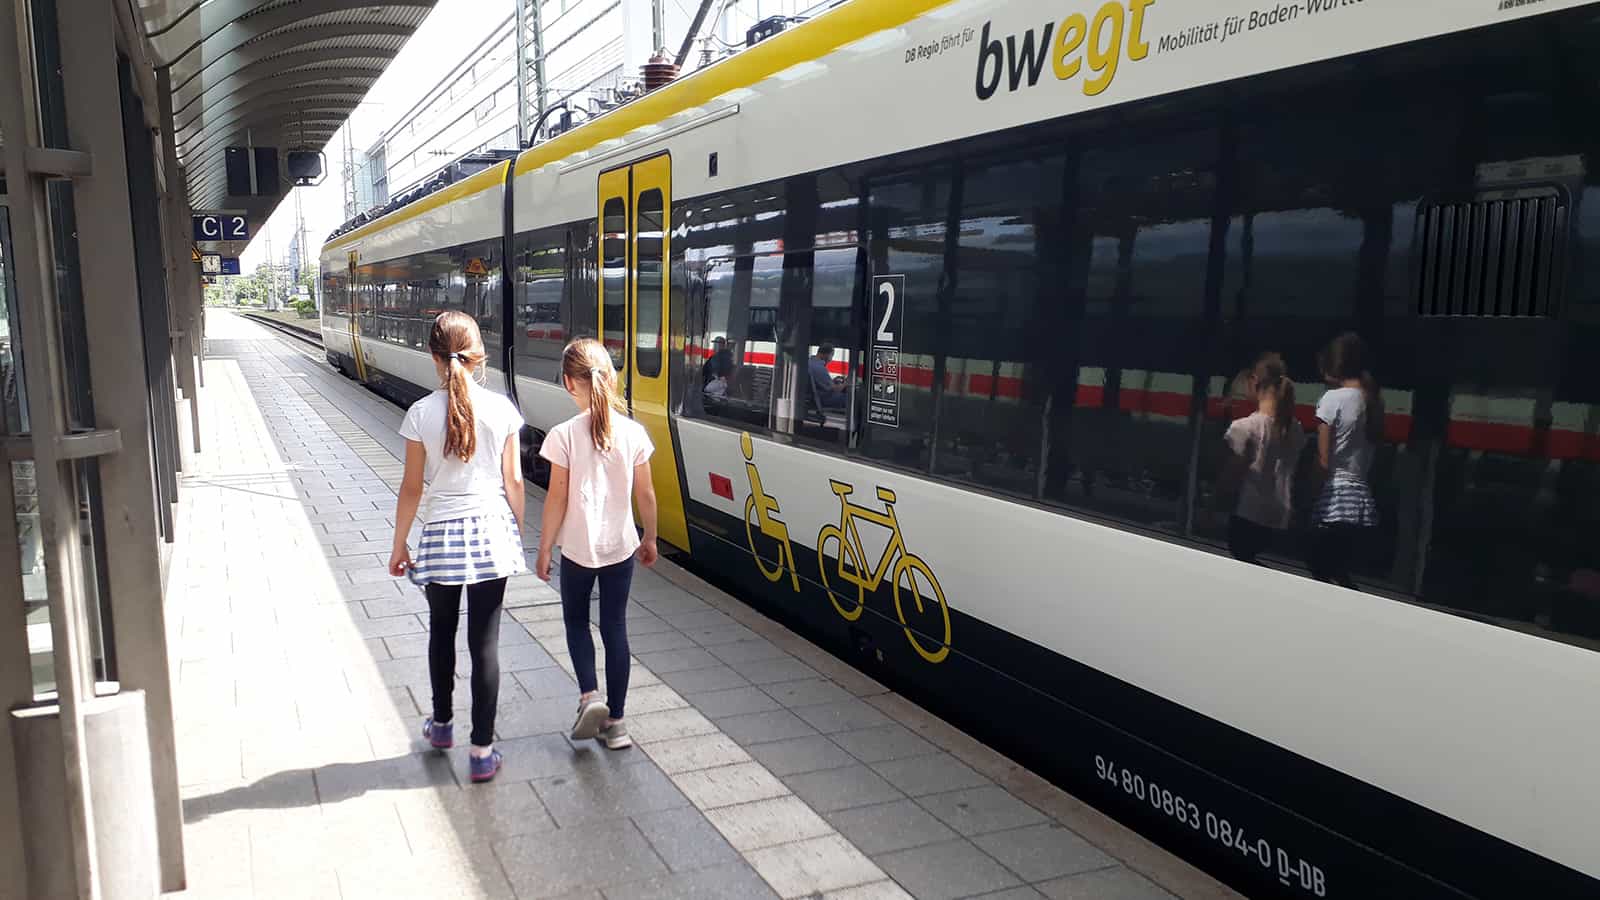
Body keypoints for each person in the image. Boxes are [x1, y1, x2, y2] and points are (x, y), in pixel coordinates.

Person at [388, 311, 527, 783]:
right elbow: (513, 481)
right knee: (484, 645)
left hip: (442, 534)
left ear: (432, 355)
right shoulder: (504, 409)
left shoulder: (420, 413)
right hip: (491, 532)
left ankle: (443, 725)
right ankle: (482, 751)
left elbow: (411, 489)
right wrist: (517, 529)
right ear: (479, 354)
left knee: (441, 633)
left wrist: (398, 545)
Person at [536, 338, 659, 750]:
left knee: (575, 621)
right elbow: (646, 495)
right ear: (611, 376)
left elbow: (557, 497)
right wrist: (651, 538)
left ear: (570, 383)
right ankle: (618, 724)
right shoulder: (633, 433)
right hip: (620, 547)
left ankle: (590, 696)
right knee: (615, 628)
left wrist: (543, 547)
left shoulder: (563, 435)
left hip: (577, 549)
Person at [1308, 332, 1382, 588]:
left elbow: (1324, 460)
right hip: (1359, 501)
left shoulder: (1332, 400)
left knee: (1319, 570)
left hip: (1333, 497)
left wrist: (1308, 494)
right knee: (1339, 573)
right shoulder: (1372, 401)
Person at [1220, 356, 1305, 564]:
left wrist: (1212, 505)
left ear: (1255, 381)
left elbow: (1233, 474)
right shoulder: (1296, 429)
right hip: (1278, 520)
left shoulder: (1245, 427)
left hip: (1248, 515)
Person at [809, 344, 847, 410]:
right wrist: (846, 383)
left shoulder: (810, 362)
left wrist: (833, 381)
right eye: (831, 355)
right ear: (826, 354)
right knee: (849, 398)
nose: (831, 359)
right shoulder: (819, 368)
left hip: (814, 396)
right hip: (822, 398)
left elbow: (822, 383)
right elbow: (836, 389)